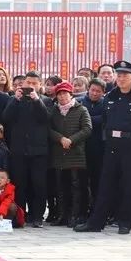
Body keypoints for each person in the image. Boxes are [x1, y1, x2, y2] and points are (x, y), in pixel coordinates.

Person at [76, 60, 131, 234]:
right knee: (105, 185)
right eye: (118, 75)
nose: (121, 78)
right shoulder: (111, 96)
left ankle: (125, 222)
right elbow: (105, 120)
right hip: (112, 146)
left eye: (125, 75)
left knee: (129, 186)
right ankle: (96, 222)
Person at [2, 71, 52, 227]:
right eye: (27, 83)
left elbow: (46, 118)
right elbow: (6, 118)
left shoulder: (46, 101)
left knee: (39, 185)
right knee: (19, 185)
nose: (30, 86)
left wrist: (37, 101)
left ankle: (37, 217)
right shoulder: (14, 100)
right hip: (19, 150)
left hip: (39, 151)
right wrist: (15, 100)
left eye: (34, 83)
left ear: (39, 85)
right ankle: (20, 216)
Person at [49, 81, 92, 227]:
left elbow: (87, 129)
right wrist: (60, 138)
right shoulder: (53, 110)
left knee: (77, 186)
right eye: (59, 94)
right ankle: (62, 215)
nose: (62, 97)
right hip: (59, 153)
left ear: (70, 94)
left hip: (76, 154)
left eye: (64, 94)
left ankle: (76, 215)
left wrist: (71, 140)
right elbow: (48, 129)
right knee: (61, 187)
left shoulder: (81, 109)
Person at [79, 78, 107, 211]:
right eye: (93, 90)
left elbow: (105, 120)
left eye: (98, 91)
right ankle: (82, 211)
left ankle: (97, 210)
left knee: (98, 182)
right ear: (88, 89)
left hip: (99, 148)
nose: (95, 93)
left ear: (103, 92)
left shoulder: (106, 104)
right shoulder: (79, 102)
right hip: (81, 147)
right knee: (81, 182)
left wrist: (87, 118)